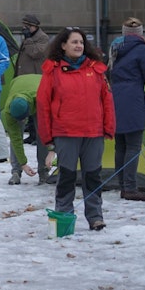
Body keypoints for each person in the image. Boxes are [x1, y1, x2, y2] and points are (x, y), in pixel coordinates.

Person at [37, 26, 115, 231]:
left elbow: (107, 100)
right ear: (63, 45)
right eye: (74, 42)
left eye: (81, 42)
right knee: (67, 177)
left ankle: (95, 217)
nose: (78, 45)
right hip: (66, 133)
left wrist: (108, 128)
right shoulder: (52, 71)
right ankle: (64, 216)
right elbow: (43, 105)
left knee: (93, 177)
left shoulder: (96, 70)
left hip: (93, 133)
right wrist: (47, 138)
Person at [109, 17, 145, 201]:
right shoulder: (141, 49)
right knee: (133, 146)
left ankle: (122, 185)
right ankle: (130, 188)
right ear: (140, 33)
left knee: (120, 146)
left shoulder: (115, 48)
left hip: (115, 98)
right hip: (133, 99)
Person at [1, 74, 52, 185]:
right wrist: (23, 163)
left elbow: (48, 132)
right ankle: (16, 172)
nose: (23, 121)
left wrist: (52, 150)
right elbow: (15, 138)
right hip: (18, 82)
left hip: (39, 87)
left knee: (42, 134)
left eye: (24, 118)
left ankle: (43, 172)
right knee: (16, 135)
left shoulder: (42, 100)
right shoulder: (8, 111)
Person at [15, 13, 49, 143]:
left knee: (37, 109)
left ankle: (38, 136)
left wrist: (28, 40)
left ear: (33, 26)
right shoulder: (28, 38)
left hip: (35, 77)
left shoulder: (42, 38)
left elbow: (36, 52)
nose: (24, 29)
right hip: (24, 76)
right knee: (29, 106)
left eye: (27, 26)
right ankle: (31, 134)